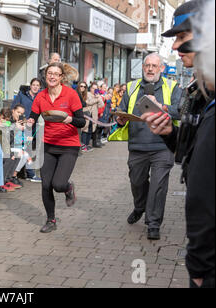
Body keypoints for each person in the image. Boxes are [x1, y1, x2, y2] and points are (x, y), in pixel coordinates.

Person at [142, 0, 214, 288]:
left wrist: (199, 266)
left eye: (182, 38)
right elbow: (193, 159)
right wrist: (170, 134)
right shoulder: (201, 96)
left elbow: (205, 194)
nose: (174, 48)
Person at [110, 52, 182, 240]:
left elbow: (181, 111)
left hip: (163, 147)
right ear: (143, 67)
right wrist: (120, 119)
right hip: (137, 146)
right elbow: (123, 111)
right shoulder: (132, 86)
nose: (150, 69)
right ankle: (140, 207)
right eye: (147, 65)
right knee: (137, 182)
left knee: (158, 186)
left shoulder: (173, 86)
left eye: (154, 66)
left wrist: (163, 107)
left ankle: (153, 223)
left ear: (162, 68)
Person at [27, 62, 85, 233]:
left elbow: (81, 121)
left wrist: (70, 120)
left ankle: (68, 188)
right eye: (49, 73)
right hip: (48, 145)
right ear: (46, 76)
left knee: (58, 184)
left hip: (68, 145)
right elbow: (32, 118)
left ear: (61, 77)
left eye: (55, 74)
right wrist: (29, 122)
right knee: (46, 185)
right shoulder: (40, 96)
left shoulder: (71, 95)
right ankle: (51, 220)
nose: (52, 76)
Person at [11, 78, 42, 182]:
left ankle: (27, 173)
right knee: (22, 149)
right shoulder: (22, 95)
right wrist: (19, 121)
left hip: (32, 126)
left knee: (28, 149)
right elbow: (13, 108)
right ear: (30, 86)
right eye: (34, 85)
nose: (35, 87)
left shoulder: (40, 97)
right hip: (20, 125)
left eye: (37, 85)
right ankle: (27, 174)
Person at [82, 82, 104, 150]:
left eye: (96, 88)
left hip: (94, 115)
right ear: (90, 88)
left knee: (91, 130)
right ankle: (83, 145)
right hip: (87, 114)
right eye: (93, 88)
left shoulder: (97, 96)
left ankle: (87, 144)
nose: (94, 90)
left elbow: (101, 105)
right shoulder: (87, 94)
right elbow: (88, 102)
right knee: (85, 130)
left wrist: (99, 98)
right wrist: (97, 99)